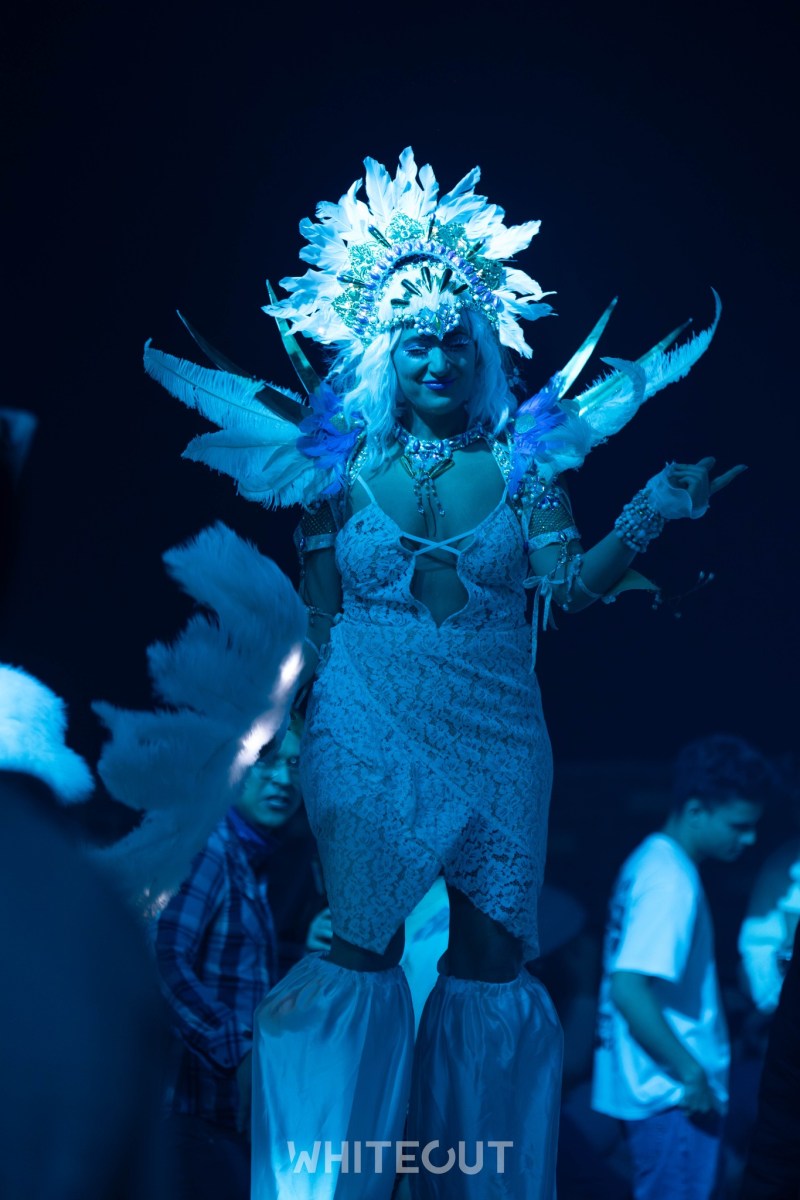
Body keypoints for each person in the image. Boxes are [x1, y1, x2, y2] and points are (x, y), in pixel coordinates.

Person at [144, 149, 744, 1198]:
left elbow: (571, 589)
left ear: (481, 348)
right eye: (416, 340)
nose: (437, 358)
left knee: (486, 974)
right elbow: (320, 620)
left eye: (455, 340)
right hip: (363, 727)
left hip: (498, 736)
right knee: (359, 956)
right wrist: (289, 726)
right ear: (386, 348)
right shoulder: (333, 470)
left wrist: (655, 506)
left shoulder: (526, 463)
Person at [591, 733, 774, 1200]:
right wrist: (691, 1073)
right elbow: (628, 986)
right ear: (695, 810)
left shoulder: (649, 860)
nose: (749, 839)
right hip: (672, 1095)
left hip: (653, 1088)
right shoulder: (671, 881)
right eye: (738, 825)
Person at [154, 713, 303, 1200]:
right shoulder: (210, 847)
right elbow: (160, 961)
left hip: (215, 1122)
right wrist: (238, 1052)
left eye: (296, 764)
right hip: (190, 1121)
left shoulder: (249, 860)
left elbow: (235, 977)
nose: (283, 779)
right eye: (266, 762)